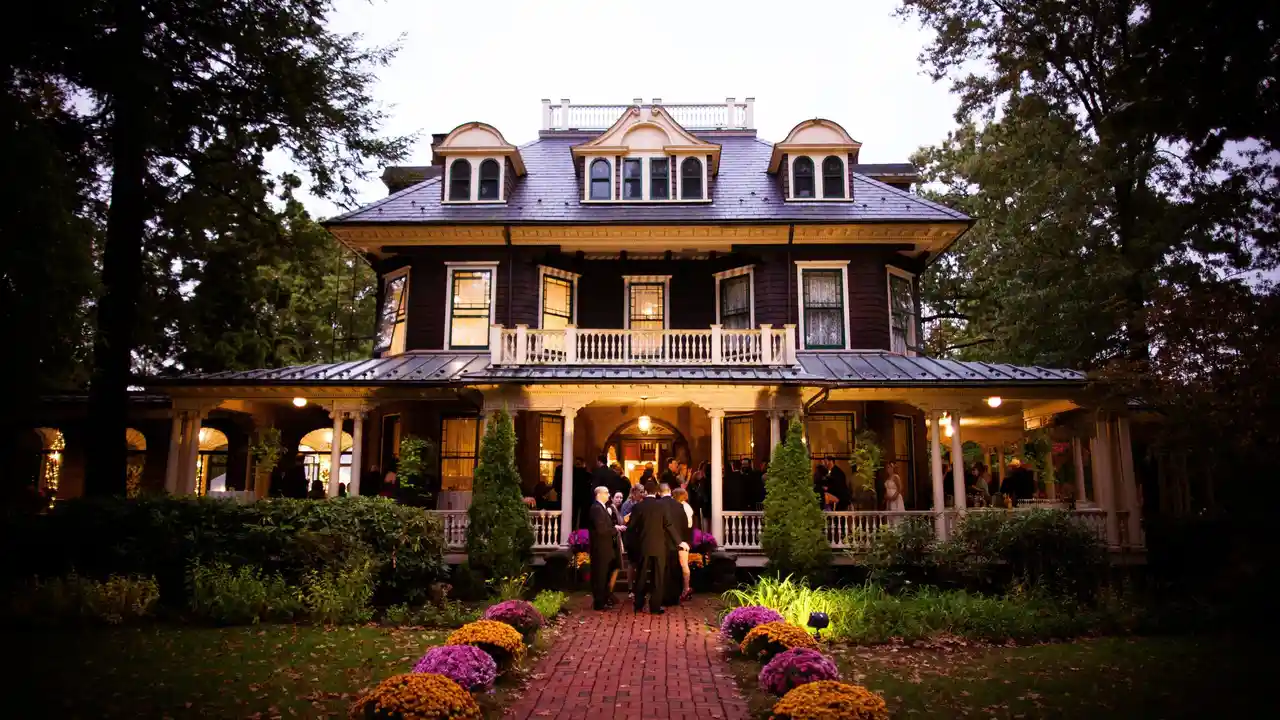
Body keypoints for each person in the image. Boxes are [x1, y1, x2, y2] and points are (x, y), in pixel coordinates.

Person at [626, 481, 684, 614]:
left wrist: (631, 545)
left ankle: (639, 604)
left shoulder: (638, 507)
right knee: (658, 576)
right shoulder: (662, 507)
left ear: (645, 492)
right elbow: (669, 525)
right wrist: (679, 542)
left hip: (643, 547)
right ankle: (655, 606)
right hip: (659, 547)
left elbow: (631, 529)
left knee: (641, 576)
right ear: (657, 492)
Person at [587, 486, 619, 610]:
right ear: (599, 494)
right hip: (600, 547)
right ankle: (599, 603)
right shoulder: (596, 508)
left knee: (605, 574)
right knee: (600, 575)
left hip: (606, 547)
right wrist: (614, 529)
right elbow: (601, 529)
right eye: (606, 493)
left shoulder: (602, 508)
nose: (608, 495)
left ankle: (603, 599)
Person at [656, 483, 686, 606]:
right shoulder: (679, 505)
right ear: (670, 490)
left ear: (659, 492)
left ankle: (663, 596)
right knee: (675, 569)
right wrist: (681, 540)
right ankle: (674, 597)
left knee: (662, 570)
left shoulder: (658, 505)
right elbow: (684, 524)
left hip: (661, 542)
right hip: (676, 542)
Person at [672, 487, 695, 601]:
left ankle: (686, 588)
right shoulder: (685, 507)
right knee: (682, 563)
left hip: (683, 538)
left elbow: (687, 525)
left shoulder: (684, 507)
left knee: (683, 563)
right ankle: (684, 588)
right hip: (685, 537)